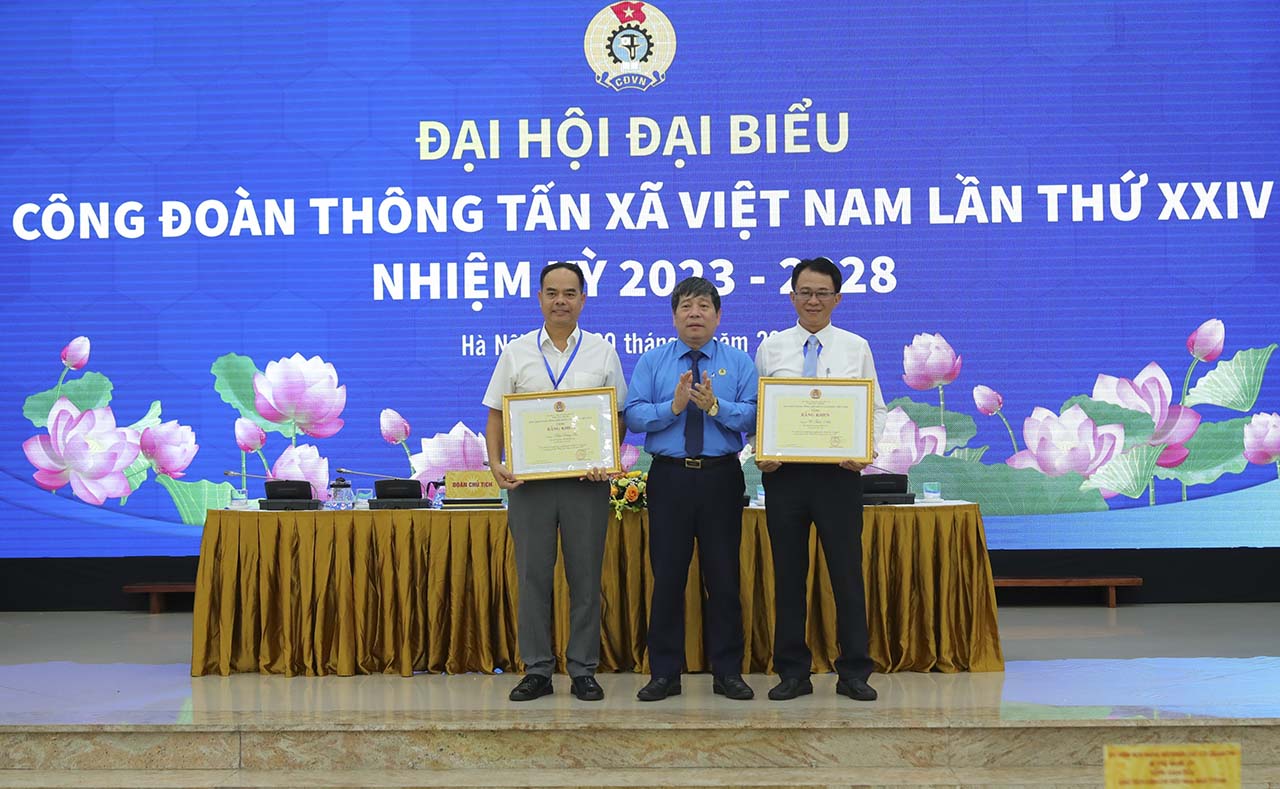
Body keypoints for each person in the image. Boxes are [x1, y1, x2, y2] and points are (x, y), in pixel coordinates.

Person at [483, 262, 626, 702]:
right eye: (552, 292)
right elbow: (495, 414)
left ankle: (583, 669)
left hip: (586, 483)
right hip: (530, 486)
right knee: (532, 578)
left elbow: (618, 416)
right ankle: (538, 670)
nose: (560, 301)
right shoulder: (516, 352)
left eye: (569, 293)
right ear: (540, 298)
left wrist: (607, 458)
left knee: (586, 578)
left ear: (583, 299)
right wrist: (495, 463)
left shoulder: (603, 352)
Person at [753, 256, 887, 702]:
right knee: (789, 576)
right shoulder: (771, 348)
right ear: (792, 297)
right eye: (805, 292)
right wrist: (760, 450)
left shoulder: (856, 347)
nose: (813, 301)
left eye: (822, 293)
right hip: (785, 478)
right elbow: (758, 409)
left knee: (846, 575)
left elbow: (877, 408)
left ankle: (854, 672)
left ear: (838, 299)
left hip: (838, 477)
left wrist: (865, 449)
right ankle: (793, 672)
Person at [624, 277, 758, 702]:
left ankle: (728, 672)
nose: (694, 313)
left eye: (703, 306)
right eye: (686, 306)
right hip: (670, 478)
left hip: (721, 477)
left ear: (718, 316)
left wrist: (716, 407)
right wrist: (674, 407)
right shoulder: (653, 362)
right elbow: (633, 416)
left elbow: (756, 416)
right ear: (674, 316)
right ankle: (664, 673)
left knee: (724, 577)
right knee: (667, 577)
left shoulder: (740, 362)